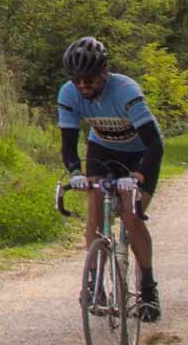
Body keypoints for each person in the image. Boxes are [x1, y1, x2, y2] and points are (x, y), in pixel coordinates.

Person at [57, 36, 166, 322]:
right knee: (94, 201)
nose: (83, 85)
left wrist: (139, 176)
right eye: (77, 79)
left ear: (104, 71)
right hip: (102, 148)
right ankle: (94, 282)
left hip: (141, 152)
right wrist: (75, 173)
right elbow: (68, 144)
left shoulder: (126, 92)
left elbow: (155, 143)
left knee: (131, 214)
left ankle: (148, 288)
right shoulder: (68, 94)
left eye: (89, 78)